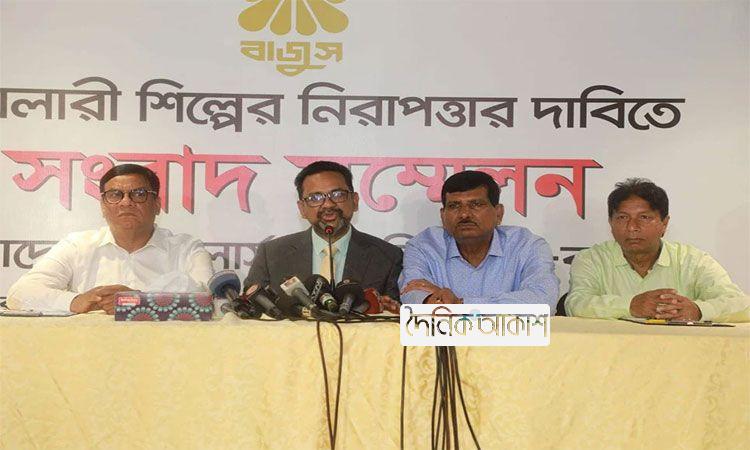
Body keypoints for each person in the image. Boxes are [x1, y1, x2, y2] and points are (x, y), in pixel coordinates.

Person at [7, 164, 214, 314]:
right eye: (115, 195)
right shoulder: (77, 245)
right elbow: (20, 293)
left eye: (139, 194)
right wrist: (76, 301)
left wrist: (139, 301)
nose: (126, 202)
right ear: (103, 206)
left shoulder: (187, 248)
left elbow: (208, 299)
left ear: (157, 205)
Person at [565, 178, 749, 322]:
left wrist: (698, 310)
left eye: (644, 217)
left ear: (664, 224)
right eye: (622, 217)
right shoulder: (591, 259)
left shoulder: (692, 260)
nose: (632, 227)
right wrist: (630, 306)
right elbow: (576, 304)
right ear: (610, 223)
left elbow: (741, 304)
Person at [243, 161, 402, 308]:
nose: (328, 204)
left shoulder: (387, 256)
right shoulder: (271, 254)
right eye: (315, 198)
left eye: (337, 194)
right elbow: (252, 307)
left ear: (355, 201)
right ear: (302, 209)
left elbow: (394, 314)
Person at [399, 170, 559, 308]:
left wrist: (460, 304)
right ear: (443, 215)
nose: (464, 214)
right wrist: (432, 301)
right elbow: (412, 292)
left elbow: (543, 300)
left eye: (476, 204)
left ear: (498, 213)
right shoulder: (424, 245)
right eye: (454, 206)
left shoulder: (527, 246)